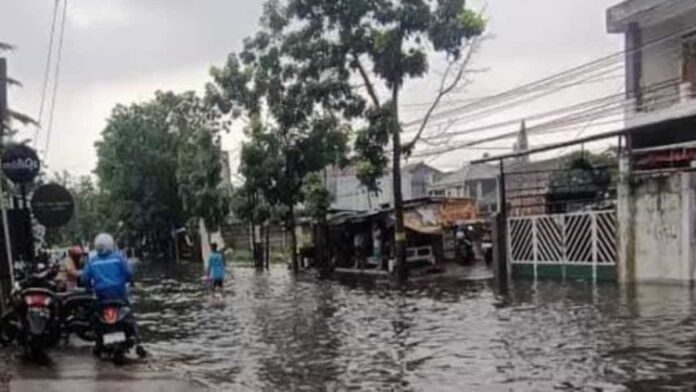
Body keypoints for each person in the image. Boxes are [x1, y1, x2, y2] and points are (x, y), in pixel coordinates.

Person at [82, 233, 133, 302]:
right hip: (119, 292)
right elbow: (129, 273)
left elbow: (85, 278)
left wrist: (89, 288)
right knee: (127, 307)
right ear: (111, 244)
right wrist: (127, 280)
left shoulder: (92, 262)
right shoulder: (119, 258)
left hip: (100, 293)